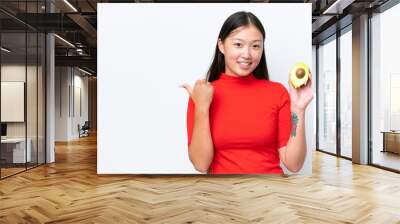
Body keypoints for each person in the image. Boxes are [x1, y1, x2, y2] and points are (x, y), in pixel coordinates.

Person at [180, 11, 314, 174]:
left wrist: (298, 110)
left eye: (255, 46)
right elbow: (201, 164)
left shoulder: (277, 92)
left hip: (270, 193)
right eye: (238, 45)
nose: (247, 54)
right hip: (224, 195)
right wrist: (201, 107)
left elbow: (294, 164)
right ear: (221, 45)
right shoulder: (203, 94)